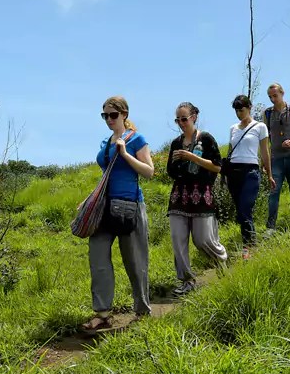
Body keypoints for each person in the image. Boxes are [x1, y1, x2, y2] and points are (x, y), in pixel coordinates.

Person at [81, 96, 154, 333]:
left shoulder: (136, 139)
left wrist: (125, 154)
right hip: (104, 207)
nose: (109, 120)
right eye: (105, 116)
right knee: (98, 257)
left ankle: (142, 310)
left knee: (135, 261)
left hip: (129, 206)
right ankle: (102, 314)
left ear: (124, 114)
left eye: (113, 115)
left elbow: (149, 172)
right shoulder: (105, 141)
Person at [166, 102, 228, 296]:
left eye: (184, 119)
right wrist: (177, 162)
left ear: (194, 117)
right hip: (179, 196)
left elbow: (218, 167)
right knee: (178, 239)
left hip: (202, 195)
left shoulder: (206, 139)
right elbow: (170, 171)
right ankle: (187, 280)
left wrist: (193, 158)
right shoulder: (176, 143)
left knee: (203, 240)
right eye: (178, 119)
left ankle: (221, 259)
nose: (181, 123)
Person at [225, 95, 275, 259]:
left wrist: (269, 174)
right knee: (240, 211)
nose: (239, 114)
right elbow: (230, 151)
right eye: (237, 111)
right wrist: (224, 174)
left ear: (250, 107)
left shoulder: (260, 127)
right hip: (233, 171)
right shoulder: (233, 128)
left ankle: (249, 247)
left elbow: (265, 152)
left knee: (246, 207)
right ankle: (248, 243)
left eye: (242, 110)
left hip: (251, 171)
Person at [262, 83, 290, 235]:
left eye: (275, 95)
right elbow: (265, 140)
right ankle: (270, 227)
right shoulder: (267, 114)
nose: (272, 99)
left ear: (282, 93)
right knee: (274, 193)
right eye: (270, 96)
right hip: (276, 160)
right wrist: (265, 161)